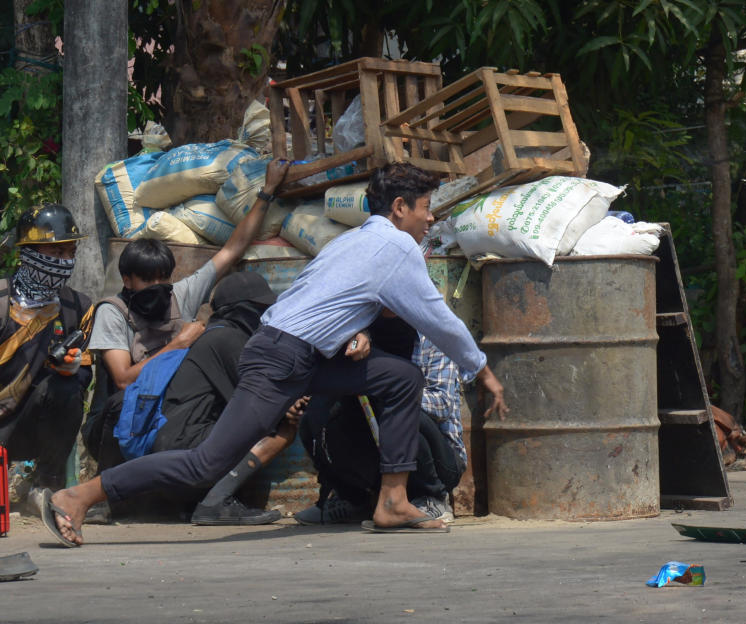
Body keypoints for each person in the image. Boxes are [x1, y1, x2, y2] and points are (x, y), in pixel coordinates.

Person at [42, 162, 508, 546]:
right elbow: (435, 315)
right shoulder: (395, 246)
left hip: (298, 356)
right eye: (426, 208)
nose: (430, 219)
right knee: (206, 462)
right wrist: (482, 370)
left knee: (399, 378)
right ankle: (79, 496)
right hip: (281, 359)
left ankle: (391, 499)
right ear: (400, 207)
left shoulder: (351, 241)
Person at [82, 158, 293, 475]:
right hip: (125, 417)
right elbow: (123, 378)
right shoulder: (112, 312)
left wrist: (267, 193)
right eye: (147, 280)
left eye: (163, 278)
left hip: (171, 408)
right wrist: (177, 344)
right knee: (119, 403)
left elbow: (231, 250)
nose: (157, 287)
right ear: (128, 281)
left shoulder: (180, 294)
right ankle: (109, 490)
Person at [152, 271, 305, 525]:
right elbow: (263, 400)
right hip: (185, 443)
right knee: (280, 432)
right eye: (260, 309)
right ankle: (216, 502)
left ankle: (202, 501)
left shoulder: (216, 334)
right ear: (242, 310)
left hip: (174, 445)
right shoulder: (228, 339)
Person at [294, 328, 465, 526]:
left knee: (398, 409)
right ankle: (352, 499)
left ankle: (432, 497)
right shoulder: (359, 335)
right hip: (381, 454)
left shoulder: (434, 335)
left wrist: (394, 394)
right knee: (316, 414)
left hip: (440, 461)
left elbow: (443, 403)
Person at [0, 204, 92, 498]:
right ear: (28, 255)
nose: (64, 262)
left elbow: (85, 375)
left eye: (70, 254)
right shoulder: (3, 302)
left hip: (34, 422)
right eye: (55, 254)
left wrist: (74, 369)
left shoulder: (78, 307)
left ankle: (45, 484)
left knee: (67, 389)